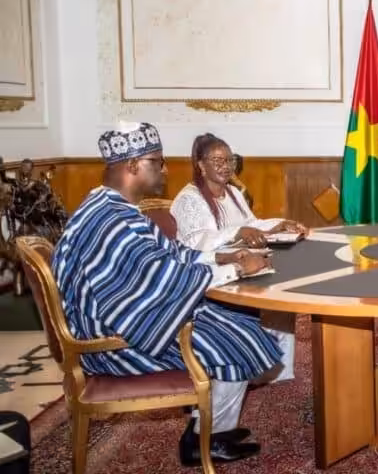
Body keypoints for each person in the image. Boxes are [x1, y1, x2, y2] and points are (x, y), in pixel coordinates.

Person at [52, 122, 280, 466]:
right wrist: (236, 270)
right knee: (242, 337)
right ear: (132, 167)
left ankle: (207, 428)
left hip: (122, 318)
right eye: (157, 162)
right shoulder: (113, 222)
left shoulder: (109, 206)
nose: (164, 169)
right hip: (112, 344)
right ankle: (205, 441)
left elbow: (171, 256)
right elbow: (164, 282)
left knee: (238, 322)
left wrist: (225, 256)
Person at [171, 133, 307, 383]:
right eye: (217, 161)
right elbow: (195, 243)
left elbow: (251, 224)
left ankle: (277, 372)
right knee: (270, 294)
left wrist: (279, 224)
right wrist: (237, 232)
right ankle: (253, 362)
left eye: (229, 161)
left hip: (244, 263)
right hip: (212, 273)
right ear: (201, 165)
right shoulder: (189, 199)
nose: (225, 167)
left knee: (282, 295)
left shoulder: (233, 192)